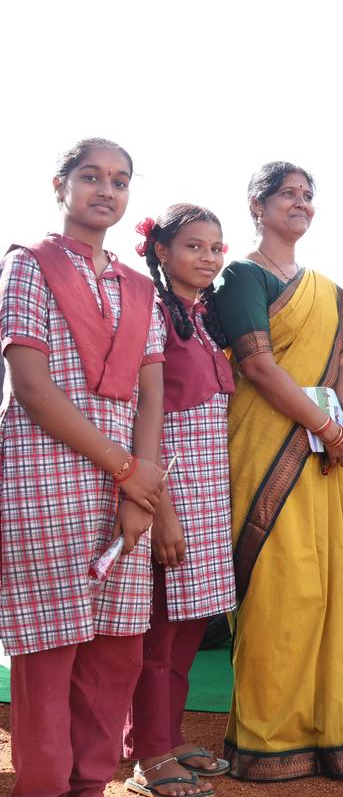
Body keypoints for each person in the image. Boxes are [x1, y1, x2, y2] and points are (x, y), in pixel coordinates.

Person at [213, 162, 343, 780]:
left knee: (325, 590)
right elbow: (259, 368)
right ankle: (270, 739)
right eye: (287, 194)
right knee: (279, 593)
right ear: (257, 206)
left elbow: (341, 370)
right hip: (266, 451)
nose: (300, 203)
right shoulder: (242, 277)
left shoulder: (332, 293)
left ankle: (332, 730)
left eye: (308, 196)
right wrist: (328, 431)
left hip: (323, 456)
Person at [1, 138, 167, 795]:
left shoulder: (138, 285)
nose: (107, 189)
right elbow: (34, 388)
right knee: (49, 653)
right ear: (59, 184)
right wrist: (129, 468)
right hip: (45, 478)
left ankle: (91, 784)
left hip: (125, 484)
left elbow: (151, 391)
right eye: (91, 176)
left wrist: (139, 486)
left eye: (120, 180)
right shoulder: (29, 267)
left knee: (116, 649)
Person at [124, 205, 238, 792]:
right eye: (194, 245)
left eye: (216, 247)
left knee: (189, 627)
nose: (208, 257)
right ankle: (149, 756)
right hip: (171, 490)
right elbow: (149, 416)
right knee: (158, 634)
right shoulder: (150, 314)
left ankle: (166, 735)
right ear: (161, 251)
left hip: (210, 493)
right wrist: (161, 510)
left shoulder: (203, 319)